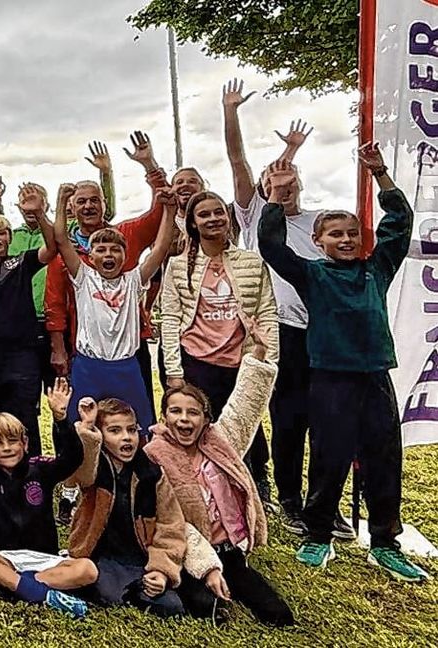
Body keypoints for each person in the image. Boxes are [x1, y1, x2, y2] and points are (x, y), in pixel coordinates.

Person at [258, 146, 430, 582]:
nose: (347, 240)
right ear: (319, 242)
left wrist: (382, 176)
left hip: (374, 378)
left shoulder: (377, 270)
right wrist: (277, 196)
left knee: (383, 459)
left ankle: (386, 542)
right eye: (336, 234)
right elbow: (271, 246)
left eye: (352, 232)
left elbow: (399, 225)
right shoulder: (313, 274)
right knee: (329, 456)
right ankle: (319, 535)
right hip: (330, 380)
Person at [222, 79, 327, 536]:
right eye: (271, 181)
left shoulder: (321, 223)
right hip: (273, 330)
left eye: (288, 180)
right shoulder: (255, 219)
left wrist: (292, 157)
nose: (280, 184)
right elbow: (238, 161)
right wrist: (231, 112)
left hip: (319, 332)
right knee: (283, 416)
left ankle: (316, 498)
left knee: (318, 416)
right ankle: (285, 495)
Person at [145, 322, 296, 625]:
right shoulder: (155, 457)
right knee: (205, 606)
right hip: (188, 549)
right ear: (164, 417)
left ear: (205, 419)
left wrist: (260, 353)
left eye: (193, 413)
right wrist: (208, 568)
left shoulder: (219, 442)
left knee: (277, 614)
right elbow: (172, 522)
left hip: (228, 548)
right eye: (175, 411)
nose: (184, 419)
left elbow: (245, 405)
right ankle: (200, 586)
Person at [160, 190, 279, 494]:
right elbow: (171, 320)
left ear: (228, 218)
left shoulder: (251, 263)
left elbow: (266, 313)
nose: (213, 218)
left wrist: (267, 362)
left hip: (240, 361)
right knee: (198, 427)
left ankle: (254, 482)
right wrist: (174, 370)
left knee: (244, 423)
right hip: (196, 361)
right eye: (204, 214)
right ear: (193, 224)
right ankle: (205, 488)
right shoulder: (176, 265)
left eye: (218, 212)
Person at [0, 382, 94, 617]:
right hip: (6, 557)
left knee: (87, 570)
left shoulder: (40, 470)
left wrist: (60, 418)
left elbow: (73, 458)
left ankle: (8, 585)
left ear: (25, 443)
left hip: (46, 558)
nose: (7, 448)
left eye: (13, 441)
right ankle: (43, 594)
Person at [68, 398, 220, 618]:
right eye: (115, 431)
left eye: (131, 429)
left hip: (142, 557)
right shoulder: (95, 469)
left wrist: (161, 571)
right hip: (103, 558)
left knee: (172, 608)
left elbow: (171, 526)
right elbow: (79, 474)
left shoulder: (151, 473)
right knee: (111, 597)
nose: (126, 437)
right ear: (101, 436)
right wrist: (88, 430)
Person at [53, 173, 178, 433]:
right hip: (89, 366)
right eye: (101, 250)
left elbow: (161, 247)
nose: (108, 254)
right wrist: (61, 200)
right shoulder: (83, 277)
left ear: (125, 255)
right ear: (91, 255)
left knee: (139, 429)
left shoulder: (134, 280)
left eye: (115, 250)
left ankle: (143, 473)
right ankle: (83, 473)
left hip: (126, 366)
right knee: (81, 429)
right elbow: (62, 240)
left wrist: (170, 209)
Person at [0, 188, 58, 459]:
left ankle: (32, 476)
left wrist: (38, 212)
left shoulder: (21, 262)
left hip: (22, 356)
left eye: (2, 232)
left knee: (25, 418)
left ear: (11, 238)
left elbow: (51, 248)